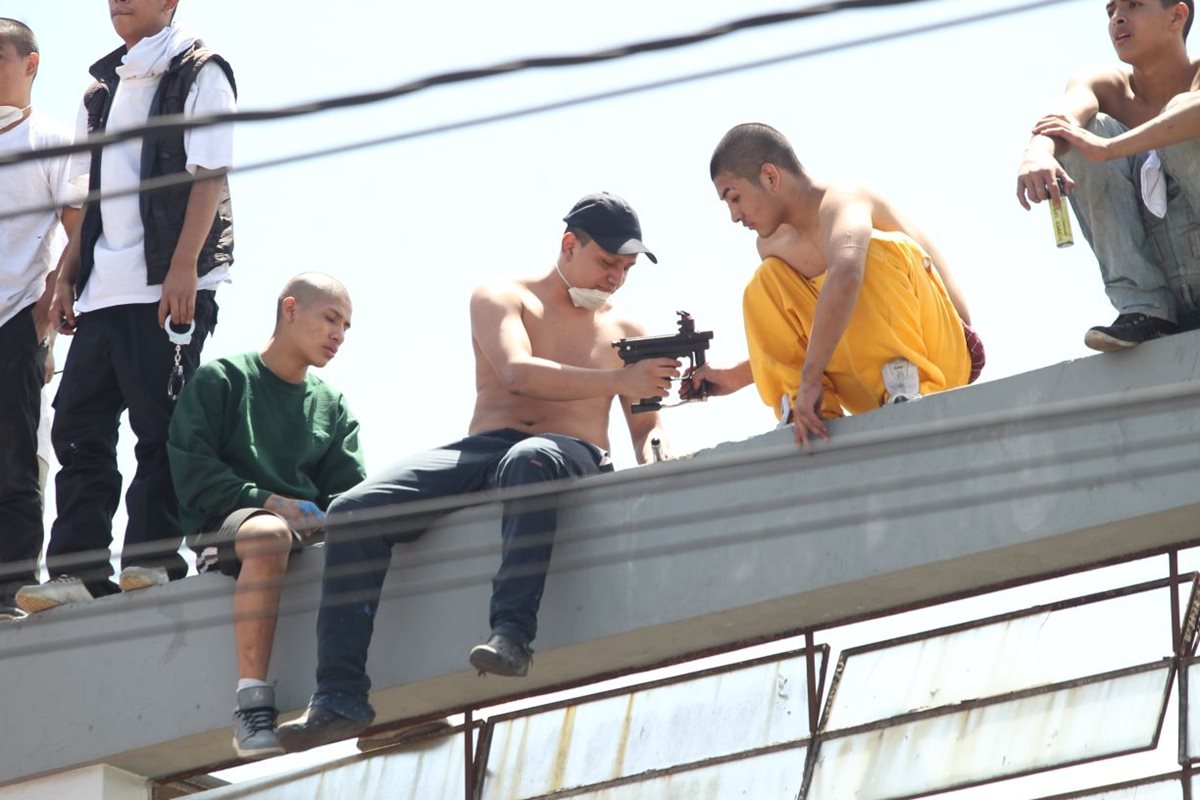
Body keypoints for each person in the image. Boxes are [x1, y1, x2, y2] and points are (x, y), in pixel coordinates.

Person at [275, 192, 675, 753]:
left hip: (570, 453)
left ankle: (512, 635)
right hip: (487, 448)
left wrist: (662, 462)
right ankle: (339, 697)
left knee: (530, 458)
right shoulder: (500, 296)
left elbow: (646, 427)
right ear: (569, 245)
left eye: (627, 269)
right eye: (608, 262)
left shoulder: (629, 326)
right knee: (355, 511)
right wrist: (619, 380)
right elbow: (516, 372)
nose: (616, 278)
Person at [17, 0, 238, 613]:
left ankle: (154, 559)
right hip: (101, 288)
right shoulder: (101, 88)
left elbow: (209, 175)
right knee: (78, 427)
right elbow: (90, 195)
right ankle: (79, 571)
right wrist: (68, 276)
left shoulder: (200, 70)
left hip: (167, 284)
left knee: (161, 427)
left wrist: (183, 267)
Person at [166, 273, 365, 758]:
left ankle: (363, 695)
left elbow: (350, 496)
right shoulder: (222, 379)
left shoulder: (332, 405)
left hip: (305, 539)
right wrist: (270, 501)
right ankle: (252, 704)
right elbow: (192, 472)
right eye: (331, 319)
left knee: (376, 531)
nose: (339, 335)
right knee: (269, 533)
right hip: (231, 528)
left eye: (346, 327)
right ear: (290, 309)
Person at [692, 123, 983, 446]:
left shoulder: (844, 200)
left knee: (866, 252)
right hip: (865, 386)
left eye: (735, 198)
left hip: (941, 358)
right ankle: (809, 411)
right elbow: (810, 332)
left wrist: (809, 377)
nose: (734, 215)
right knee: (764, 284)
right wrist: (737, 376)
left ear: (770, 177)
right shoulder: (772, 246)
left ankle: (906, 380)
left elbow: (846, 275)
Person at [1017, 1, 1198, 351]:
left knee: (1180, 112)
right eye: (1111, 10)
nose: (1118, 18)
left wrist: (1110, 148)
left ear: (1176, 15)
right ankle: (1146, 309)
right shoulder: (1105, 83)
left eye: (1134, 4)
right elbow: (1065, 118)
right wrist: (1037, 152)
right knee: (1083, 133)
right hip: (1170, 297)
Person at [0, 18, 86, 621]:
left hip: (14, 318)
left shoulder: (54, 138)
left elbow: (77, 229)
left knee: (12, 462)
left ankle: (8, 591)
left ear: (31, 64)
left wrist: (49, 307)